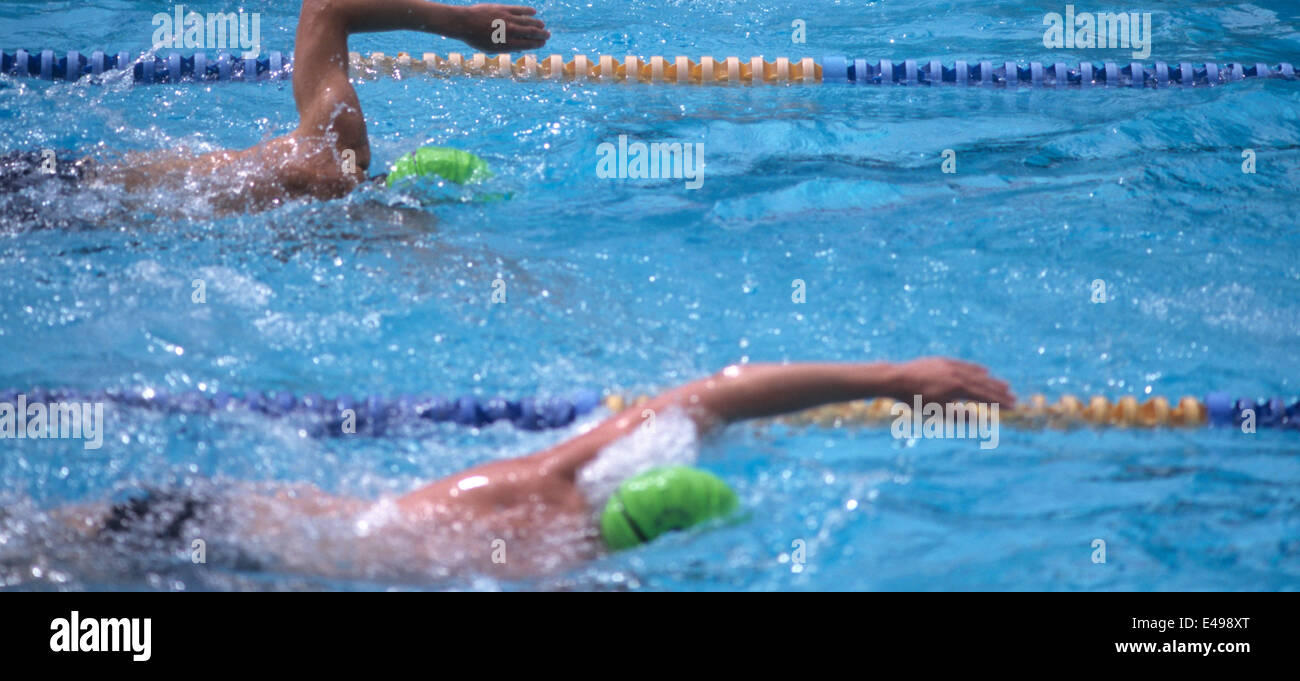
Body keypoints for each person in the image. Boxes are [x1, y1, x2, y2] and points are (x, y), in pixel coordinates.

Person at [51, 356, 1013, 580]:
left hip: (223, 531)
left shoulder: (548, 507)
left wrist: (897, 372)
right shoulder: (545, 531)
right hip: (210, 547)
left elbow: (706, 399)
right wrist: (892, 375)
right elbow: (708, 398)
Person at [0, 0, 549, 212]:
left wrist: (459, 23)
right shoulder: (340, 188)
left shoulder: (331, 134)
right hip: (74, 207)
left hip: (72, 183)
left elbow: (325, 5)